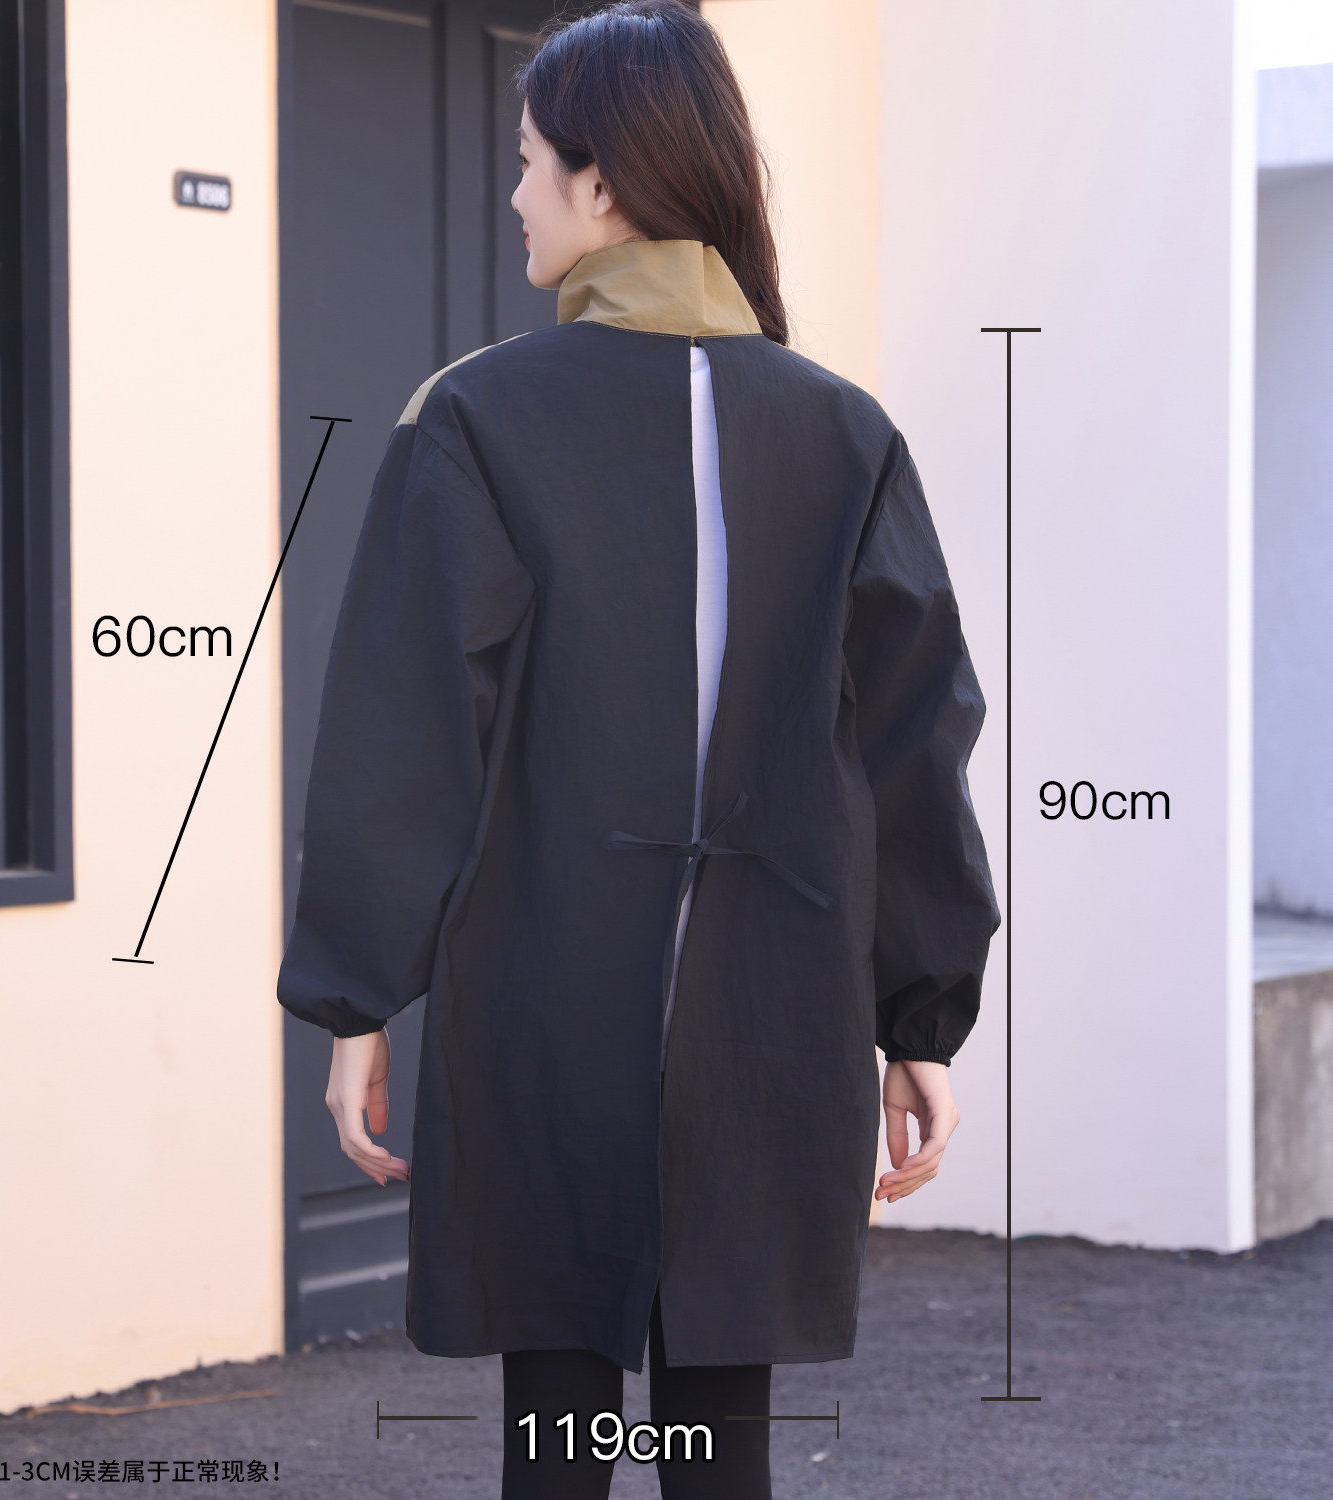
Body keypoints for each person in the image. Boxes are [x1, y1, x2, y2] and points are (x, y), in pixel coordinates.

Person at [277, 3, 1000, 1495]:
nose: (517, 193)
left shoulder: (475, 416)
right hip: (777, 1017)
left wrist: (356, 998)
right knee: (720, 1453)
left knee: (556, 1444)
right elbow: (913, 739)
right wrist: (917, 1014)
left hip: (545, 1004)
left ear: (601, 182)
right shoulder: (847, 434)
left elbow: (408, 726)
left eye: (530, 161)